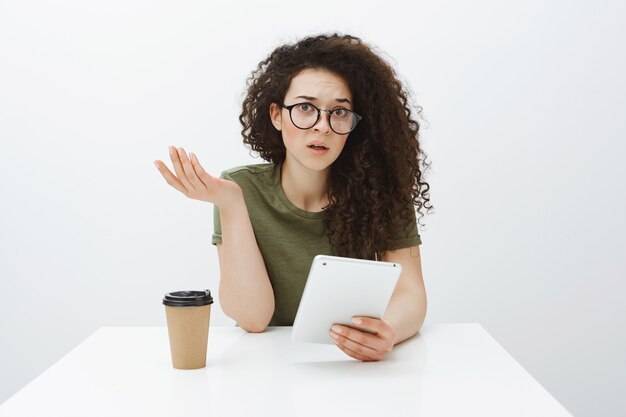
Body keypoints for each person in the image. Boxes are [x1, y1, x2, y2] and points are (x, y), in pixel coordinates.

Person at [154, 33, 433, 362]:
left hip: (349, 367)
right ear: (276, 115)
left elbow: (411, 294)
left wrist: (388, 331)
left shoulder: (381, 191)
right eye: (305, 108)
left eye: (339, 113)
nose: (322, 127)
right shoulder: (237, 189)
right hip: (263, 368)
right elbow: (253, 319)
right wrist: (230, 205)